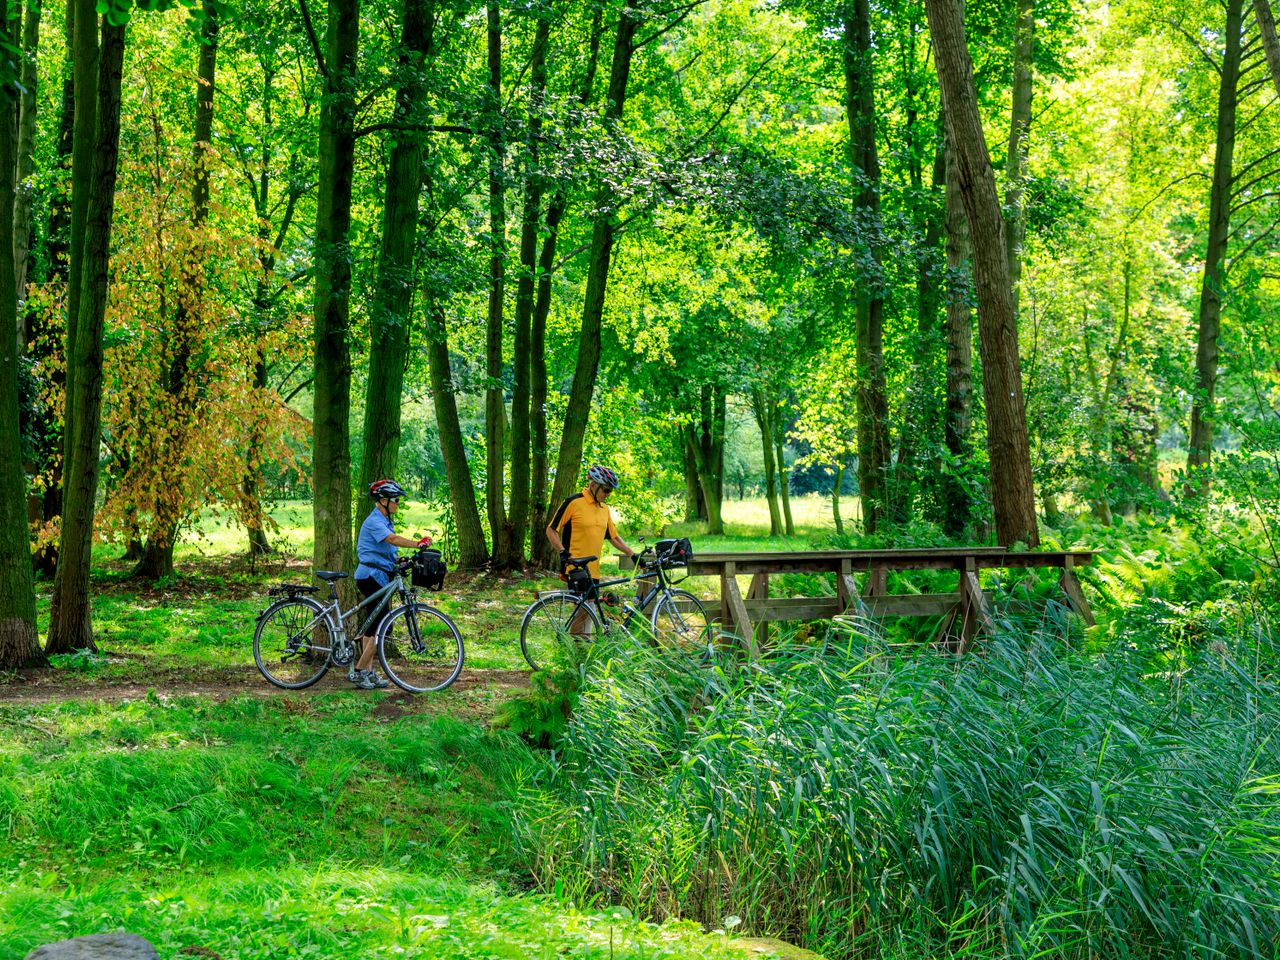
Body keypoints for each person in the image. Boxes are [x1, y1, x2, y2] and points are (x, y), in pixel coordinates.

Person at [352, 478, 431, 689]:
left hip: (379, 575)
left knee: (374, 626)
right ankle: (360, 671)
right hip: (370, 576)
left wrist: (399, 560)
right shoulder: (374, 521)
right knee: (379, 626)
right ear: (383, 500)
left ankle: (367, 672)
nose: (398, 503)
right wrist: (417, 543)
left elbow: (384, 551)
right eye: (395, 499)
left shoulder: (386, 519)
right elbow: (392, 540)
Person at [545, 465, 638, 636]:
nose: (608, 494)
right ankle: (577, 651)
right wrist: (562, 552)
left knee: (590, 610)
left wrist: (632, 554)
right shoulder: (574, 502)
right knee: (584, 609)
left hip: (593, 569)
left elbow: (614, 537)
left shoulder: (604, 509)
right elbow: (551, 530)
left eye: (610, 491)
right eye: (606, 490)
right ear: (594, 485)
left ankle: (582, 649)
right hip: (575, 566)